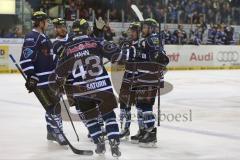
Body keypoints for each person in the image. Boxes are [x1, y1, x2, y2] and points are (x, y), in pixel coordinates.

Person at [54, 19, 122, 157]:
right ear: (87, 29)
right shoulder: (96, 42)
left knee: (90, 118)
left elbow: (59, 73)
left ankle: (99, 144)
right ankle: (114, 143)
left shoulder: (67, 49)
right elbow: (118, 55)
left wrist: (59, 84)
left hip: (81, 90)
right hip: (101, 85)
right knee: (108, 115)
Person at [19, 11, 67, 145]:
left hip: (50, 80)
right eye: (46, 21)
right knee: (53, 107)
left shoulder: (43, 36)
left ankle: (51, 131)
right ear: (40, 23)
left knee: (53, 106)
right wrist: (31, 77)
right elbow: (25, 60)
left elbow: (49, 59)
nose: (47, 23)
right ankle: (57, 132)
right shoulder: (32, 37)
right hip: (41, 81)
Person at [131, 18, 169, 147]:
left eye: (146, 27)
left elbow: (161, 58)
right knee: (140, 105)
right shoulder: (146, 40)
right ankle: (143, 130)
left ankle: (151, 133)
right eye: (143, 27)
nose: (143, 29)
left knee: (145, 105)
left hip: (149, 78)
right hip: (142, 77)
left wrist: (160, 59)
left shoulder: (153, 39)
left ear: (152, 28)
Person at [118, 22, 142, 140]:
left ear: (139, 32)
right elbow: (121, 61)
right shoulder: (128, 44)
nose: (131, 33)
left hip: (139, 79)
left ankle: (142, 130)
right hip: (127, 78)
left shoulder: (142, 44)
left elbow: (124, 58)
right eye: (130, 31)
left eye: (134, 31)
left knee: (140, 106)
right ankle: (125, 129)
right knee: (123, 105)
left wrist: (125, 49)